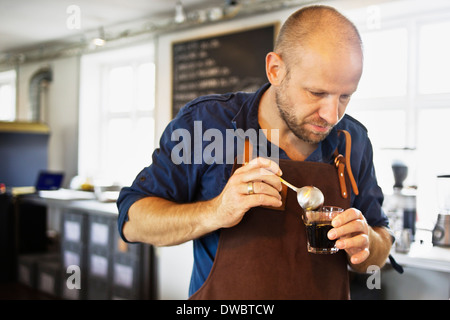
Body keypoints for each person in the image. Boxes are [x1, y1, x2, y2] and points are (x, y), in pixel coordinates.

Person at [117, 5, 393, 299]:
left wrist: (368, 244)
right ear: (275, 69)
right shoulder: (207, 125)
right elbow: (133, 221)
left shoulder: (353, 140)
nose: (331, 115)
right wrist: (216, 211)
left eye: (345, 96)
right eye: (316, 93)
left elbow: (380, 246)